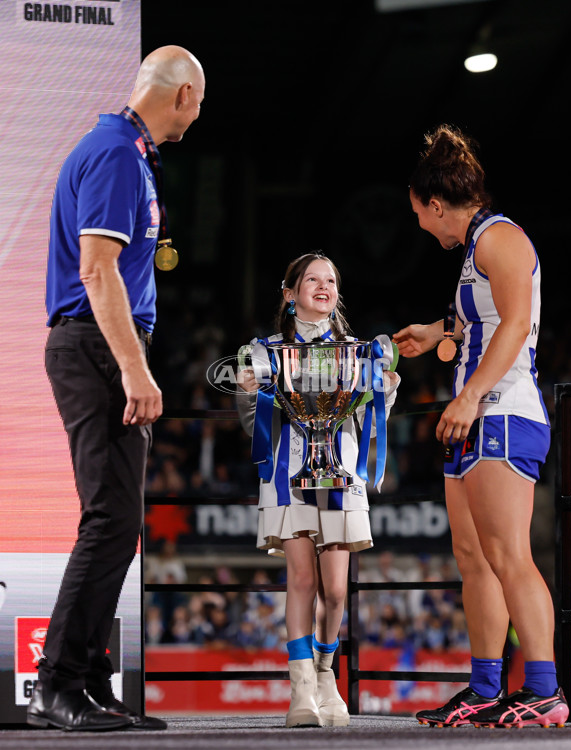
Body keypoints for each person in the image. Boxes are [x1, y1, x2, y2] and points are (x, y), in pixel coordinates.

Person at [28, 46, 205, 732]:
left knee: (118, 523)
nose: (200, 112)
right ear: (184, 95)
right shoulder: (115, 154)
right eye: (201, 101)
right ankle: (59, 684)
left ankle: (89, 682)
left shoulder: (125, 152)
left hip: (100, 344)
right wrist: (134, 367)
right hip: (99, 346)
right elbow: (98, 273)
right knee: (111, 520)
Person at [393, 125, 569, 728]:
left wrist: (468, 396)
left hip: (501, 411)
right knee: (474, 557)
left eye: (420, 214)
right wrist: (435, 333)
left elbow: (517, 325)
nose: (422, 226)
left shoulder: (500, 238)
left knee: (507, 554)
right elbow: (485, 324)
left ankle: (544, 688)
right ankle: (486, 689)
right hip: (475, 416)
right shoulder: (474, 250)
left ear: (437, 204)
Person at [237, 253, 400, 727]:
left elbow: (369, 431)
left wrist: (383, 393)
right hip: (288, 479)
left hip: (342, 478)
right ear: (290, 293)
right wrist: (250, 391)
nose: (323, 286)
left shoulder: (359, 351)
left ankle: (327, 676)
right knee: (302, 581)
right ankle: (301, 692)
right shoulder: (264, 352)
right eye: (312, 279)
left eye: (330, 280)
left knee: (334, 590)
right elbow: (254, 429)